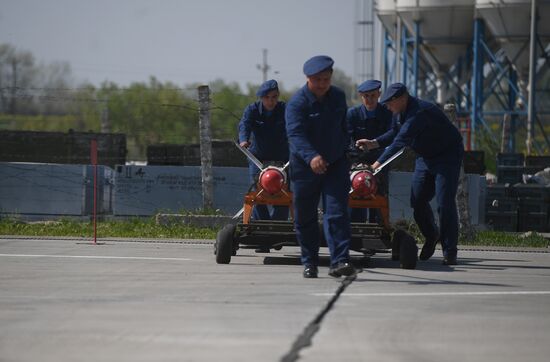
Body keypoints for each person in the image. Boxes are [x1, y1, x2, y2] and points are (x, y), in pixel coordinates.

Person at [362, 83, 464, 265]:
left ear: (402, 98)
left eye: (389, 103)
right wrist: (374, 143)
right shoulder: (399, 112)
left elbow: (400, 141)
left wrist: (376, 164)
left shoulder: (419, 113)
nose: (387, 106)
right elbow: (395, 132)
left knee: (444, 203)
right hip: (425, 157)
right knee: (417, 200)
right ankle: (432, 235)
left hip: (446, 156)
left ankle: (450, 251)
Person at [285, 55, 355, 278]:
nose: (323, 85)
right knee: (304, 217)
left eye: (326, 79)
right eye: (318, 80)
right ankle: (309, 262)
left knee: (336, 212)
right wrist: (312, 156)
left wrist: (347, 147)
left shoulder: (338, 97)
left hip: (335, 165)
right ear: (308, 79)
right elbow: (295, 134)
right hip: (305, 169)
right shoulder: (297, 103)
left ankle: (340, 261)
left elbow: (344, 126)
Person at [238, 79, 289, 223]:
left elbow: (295, 125)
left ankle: (279, 225)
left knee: (283, 191)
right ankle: (262, 225)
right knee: (258, 191)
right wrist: (243, 140)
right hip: (258, 158)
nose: (270, 101)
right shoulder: (252, 110)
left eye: (274, 97)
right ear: (261, 98)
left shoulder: (285, 109)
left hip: (282, 158)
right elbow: (244, 125)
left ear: (278, 97)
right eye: (267, 97)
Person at [346, 79, 395, 223]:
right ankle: (356, 225)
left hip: (380, 160)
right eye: (366, 96)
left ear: (379, 94)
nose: (370, 99)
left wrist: (375, 146)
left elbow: (393, 133)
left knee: (379, 193)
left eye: (373, 95)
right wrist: (355, 149)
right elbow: (346, 137)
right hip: (357, 161)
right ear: (361, 96)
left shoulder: (387, 112)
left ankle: (379, 226)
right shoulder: (352, 114)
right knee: (357, 191)